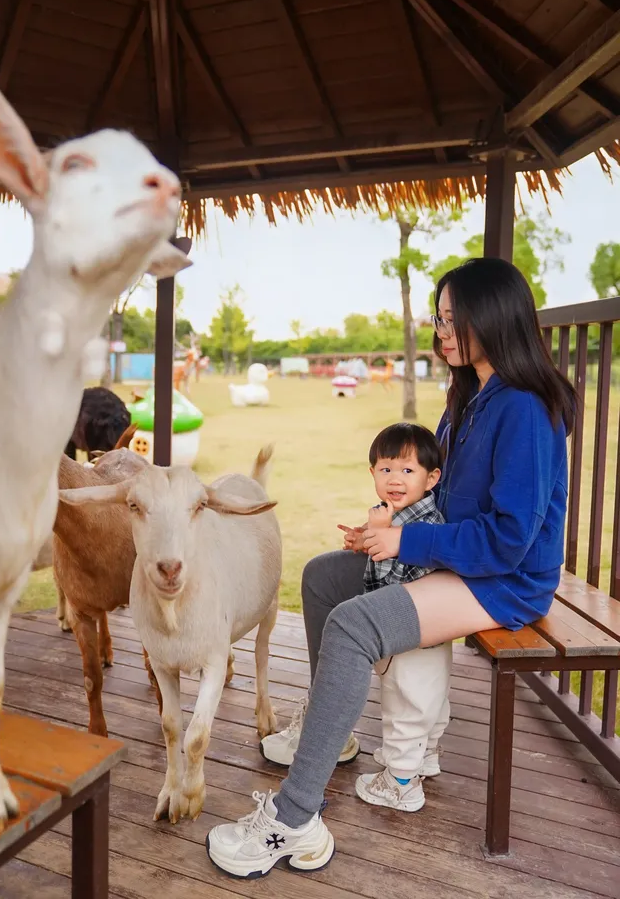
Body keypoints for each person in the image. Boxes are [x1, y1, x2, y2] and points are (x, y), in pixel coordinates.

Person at [206, 257, 576, 880]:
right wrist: (386, 527)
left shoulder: (525, 408)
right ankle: (332, 731)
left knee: (353, 626)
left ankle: (294, 820)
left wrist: (406, 542)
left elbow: (510, 540)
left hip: (504, 581)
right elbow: (443, 496)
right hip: (460, 560)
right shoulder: (470, 398)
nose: (441, 331)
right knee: (323, 577)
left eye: (453, 319)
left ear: (493, 317)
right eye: (439, 318)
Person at [262, 421, 451, 815]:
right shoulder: (403, 514)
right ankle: (423, 759)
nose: (395, 479)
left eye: (407, 470)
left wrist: (380, 540)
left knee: (406, 706)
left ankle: (402, 783)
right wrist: (369, 539)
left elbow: (390, 589)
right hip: (432, 632)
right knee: (427, 706)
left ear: (432, 478)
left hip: (413, 634)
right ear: (372, 473)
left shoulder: (422, 525)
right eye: (386, 469)